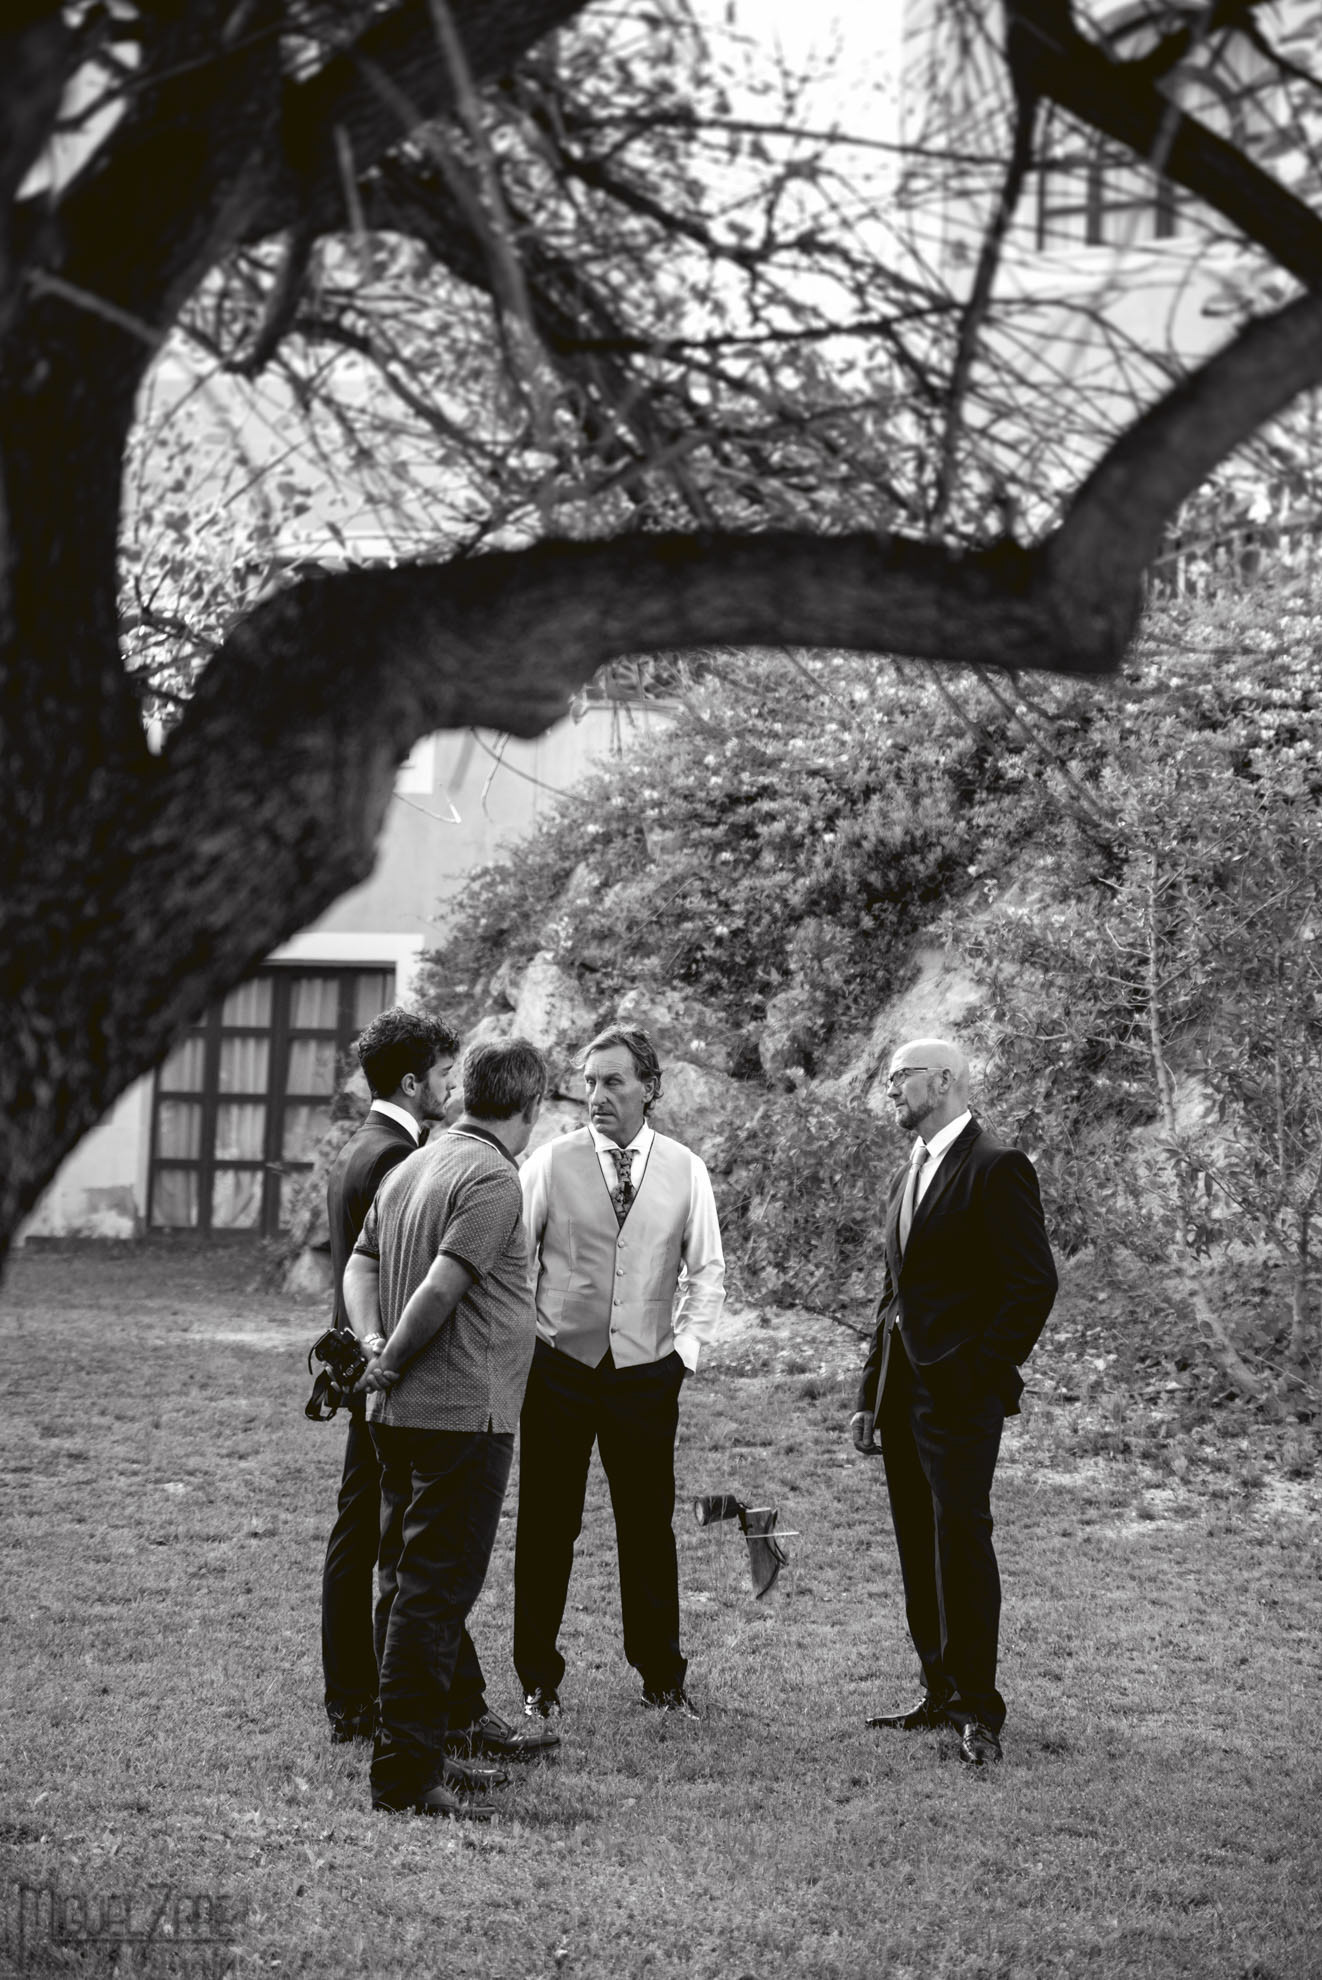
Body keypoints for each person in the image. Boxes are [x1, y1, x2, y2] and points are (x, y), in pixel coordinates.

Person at [344, 1037, 559, 1818]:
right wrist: (390, 1359)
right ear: (530, 1106)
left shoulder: (415, 1164)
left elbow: (360, 1263)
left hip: (400, 1418)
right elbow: (442, 1288)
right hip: (462, 1416)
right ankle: (406, 1778)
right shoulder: (492, 1177)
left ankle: (430, 1746)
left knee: (402, 1584)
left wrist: (372, 1344)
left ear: (467, 1092)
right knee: (432, 1598)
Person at [850, 1036, 1057, 1767]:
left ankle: (978, 1709)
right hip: (902, 1394)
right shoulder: (909, 1170)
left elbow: (1033, 1285)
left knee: (961, 1544)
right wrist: (869, 1393)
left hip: (960, 1396)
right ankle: (938, 1690)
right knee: (918, 1544)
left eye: (898, 1076)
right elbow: (893, 1296)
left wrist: (977, 1371)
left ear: (941, 1081)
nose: (889, 1089)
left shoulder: (998, 1166)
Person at [514, 1025, 725, 1722]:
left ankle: (661, 1676)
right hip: (558, 1371)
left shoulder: (686, 1169)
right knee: (547, 1525)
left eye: (613, 1081)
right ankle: (537, 1679)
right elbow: (514, 1264)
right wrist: (529, 1349)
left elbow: (707, 1271)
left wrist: (683, 1354)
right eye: (589, 1082)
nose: (596, 1096)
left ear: (649, 1088)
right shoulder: (548, 1163)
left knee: (647, 1527)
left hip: (646, 1375)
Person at [320, 1006, 459, 1745]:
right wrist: (390, 1355)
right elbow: (391, 1272)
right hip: (385, 1370)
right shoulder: (393, 1159)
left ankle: (355, 1695)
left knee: (363, 1528)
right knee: (386, 1537)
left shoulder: (360, 1146)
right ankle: (361, 1696)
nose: (450, 1087)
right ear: (411, 1082)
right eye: (442, 1074)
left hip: (360, 1360)